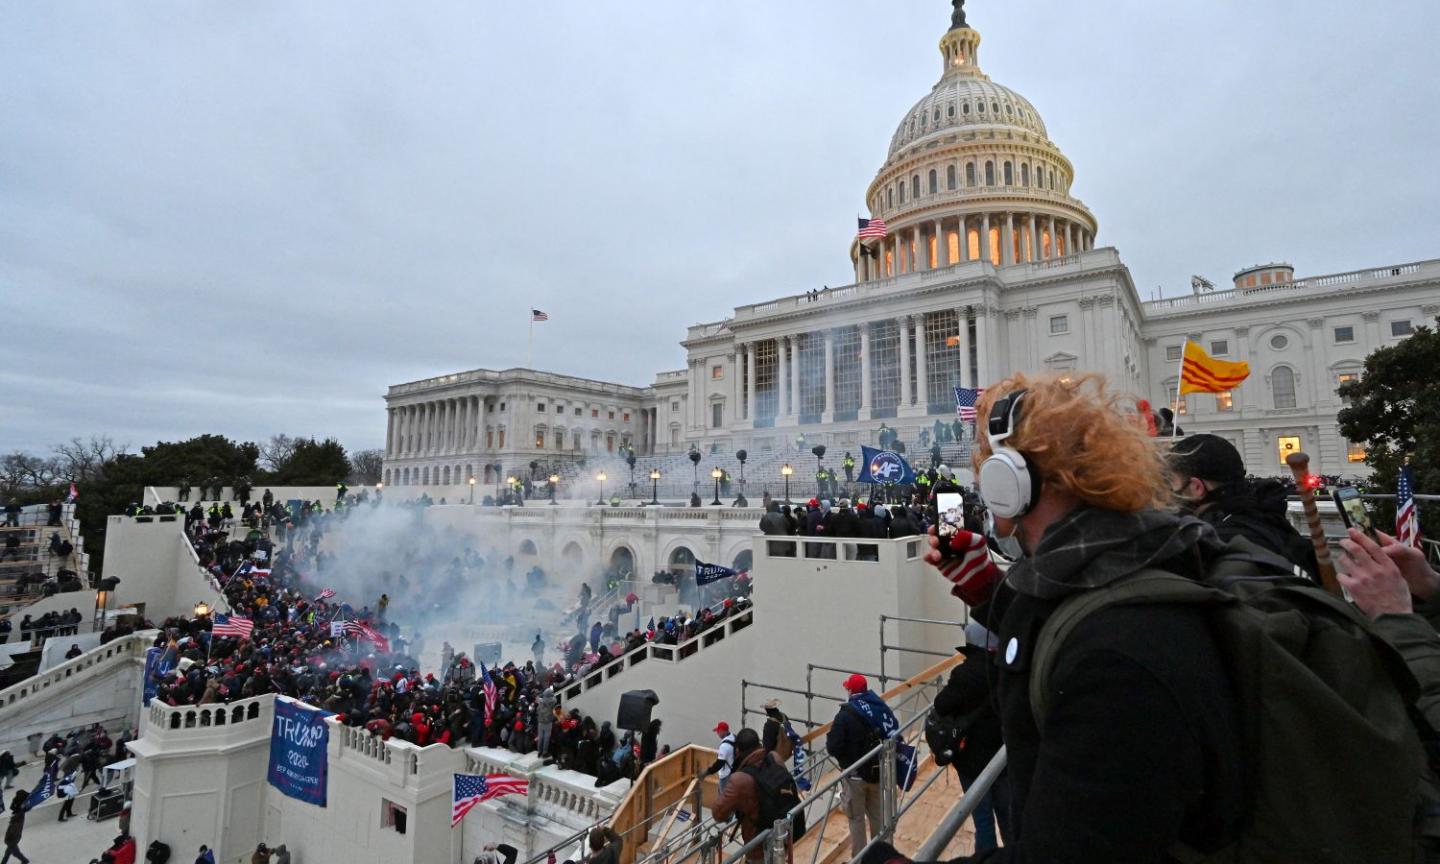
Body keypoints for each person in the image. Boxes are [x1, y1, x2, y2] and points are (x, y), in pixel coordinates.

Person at [871, 373, 1246, 864]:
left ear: (1012, 477)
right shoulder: (1115, 559)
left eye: (986, 465)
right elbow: (1061, 620)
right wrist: (987, 588)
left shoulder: (1118, 650)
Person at [1167, 433, 1318, 579]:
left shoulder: (1212, 545)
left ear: (1196, 488)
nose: (1169, 494)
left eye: (1172, 484)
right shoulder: (1269, 517)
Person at [826, 673, 897, 857]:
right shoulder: (877, 707)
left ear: (850, 690)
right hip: (877, 771)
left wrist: (845, 761)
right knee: (877, 818)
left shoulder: (844, 715)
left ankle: (860, 859)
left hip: (854, 776)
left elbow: (833, 746)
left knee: (856, 819)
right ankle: (882, 857)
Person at [712, 728, 791, 862]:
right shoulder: (774, 757)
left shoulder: (740, 780)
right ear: (758, 743)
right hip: (785, 832)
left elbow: (718, 814)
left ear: (738, 750)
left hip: (759, 845)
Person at [704, 721, 737, 791]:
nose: (717, 733)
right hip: (733, 770)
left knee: (723, 796)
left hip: (726, 775)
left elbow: (719, 764)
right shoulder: (733, 737)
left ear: (723, 731)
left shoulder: (724, 746)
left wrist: (707, 772)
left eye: (718, 731)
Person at [2, 790, 27, 864]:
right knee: (11, 852)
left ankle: (24, 860)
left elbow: (14, 829)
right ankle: (24, 860)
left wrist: (8, 838)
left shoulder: (18, 816)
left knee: (11, 852)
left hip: (12, 838)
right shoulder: (20, 812)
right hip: (13, 838)